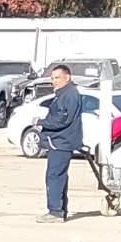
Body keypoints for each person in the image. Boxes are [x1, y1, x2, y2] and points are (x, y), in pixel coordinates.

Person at [37, 64, 83, 221]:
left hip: (62, 142)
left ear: (67, 77)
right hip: (59, 141)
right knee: (58, 176)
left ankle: (55, 211)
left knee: (55, 176)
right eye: (52, 78)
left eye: (57, 78)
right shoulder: (62, 94)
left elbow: (63, 119)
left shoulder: (69, 94)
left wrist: (42, 122)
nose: (54, 81)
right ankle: (59, 209)